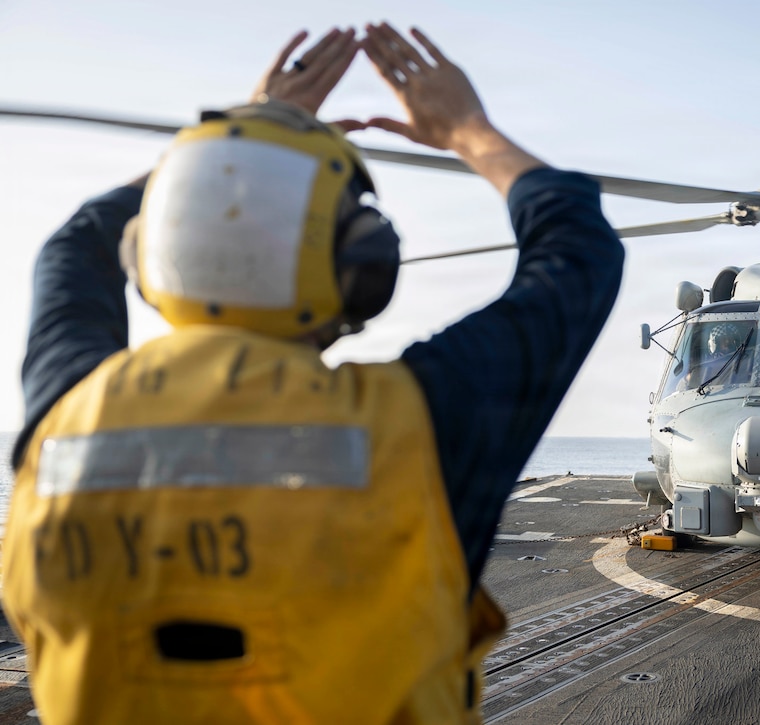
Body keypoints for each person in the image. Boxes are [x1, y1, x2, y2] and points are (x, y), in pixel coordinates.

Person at [1, 22, 623, 724]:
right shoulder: (413, 423)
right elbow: (578, 254)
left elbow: (75, 245)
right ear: (363, 268)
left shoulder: (63, 415)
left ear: (149, 247)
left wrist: (242, 133)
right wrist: (467, 130)